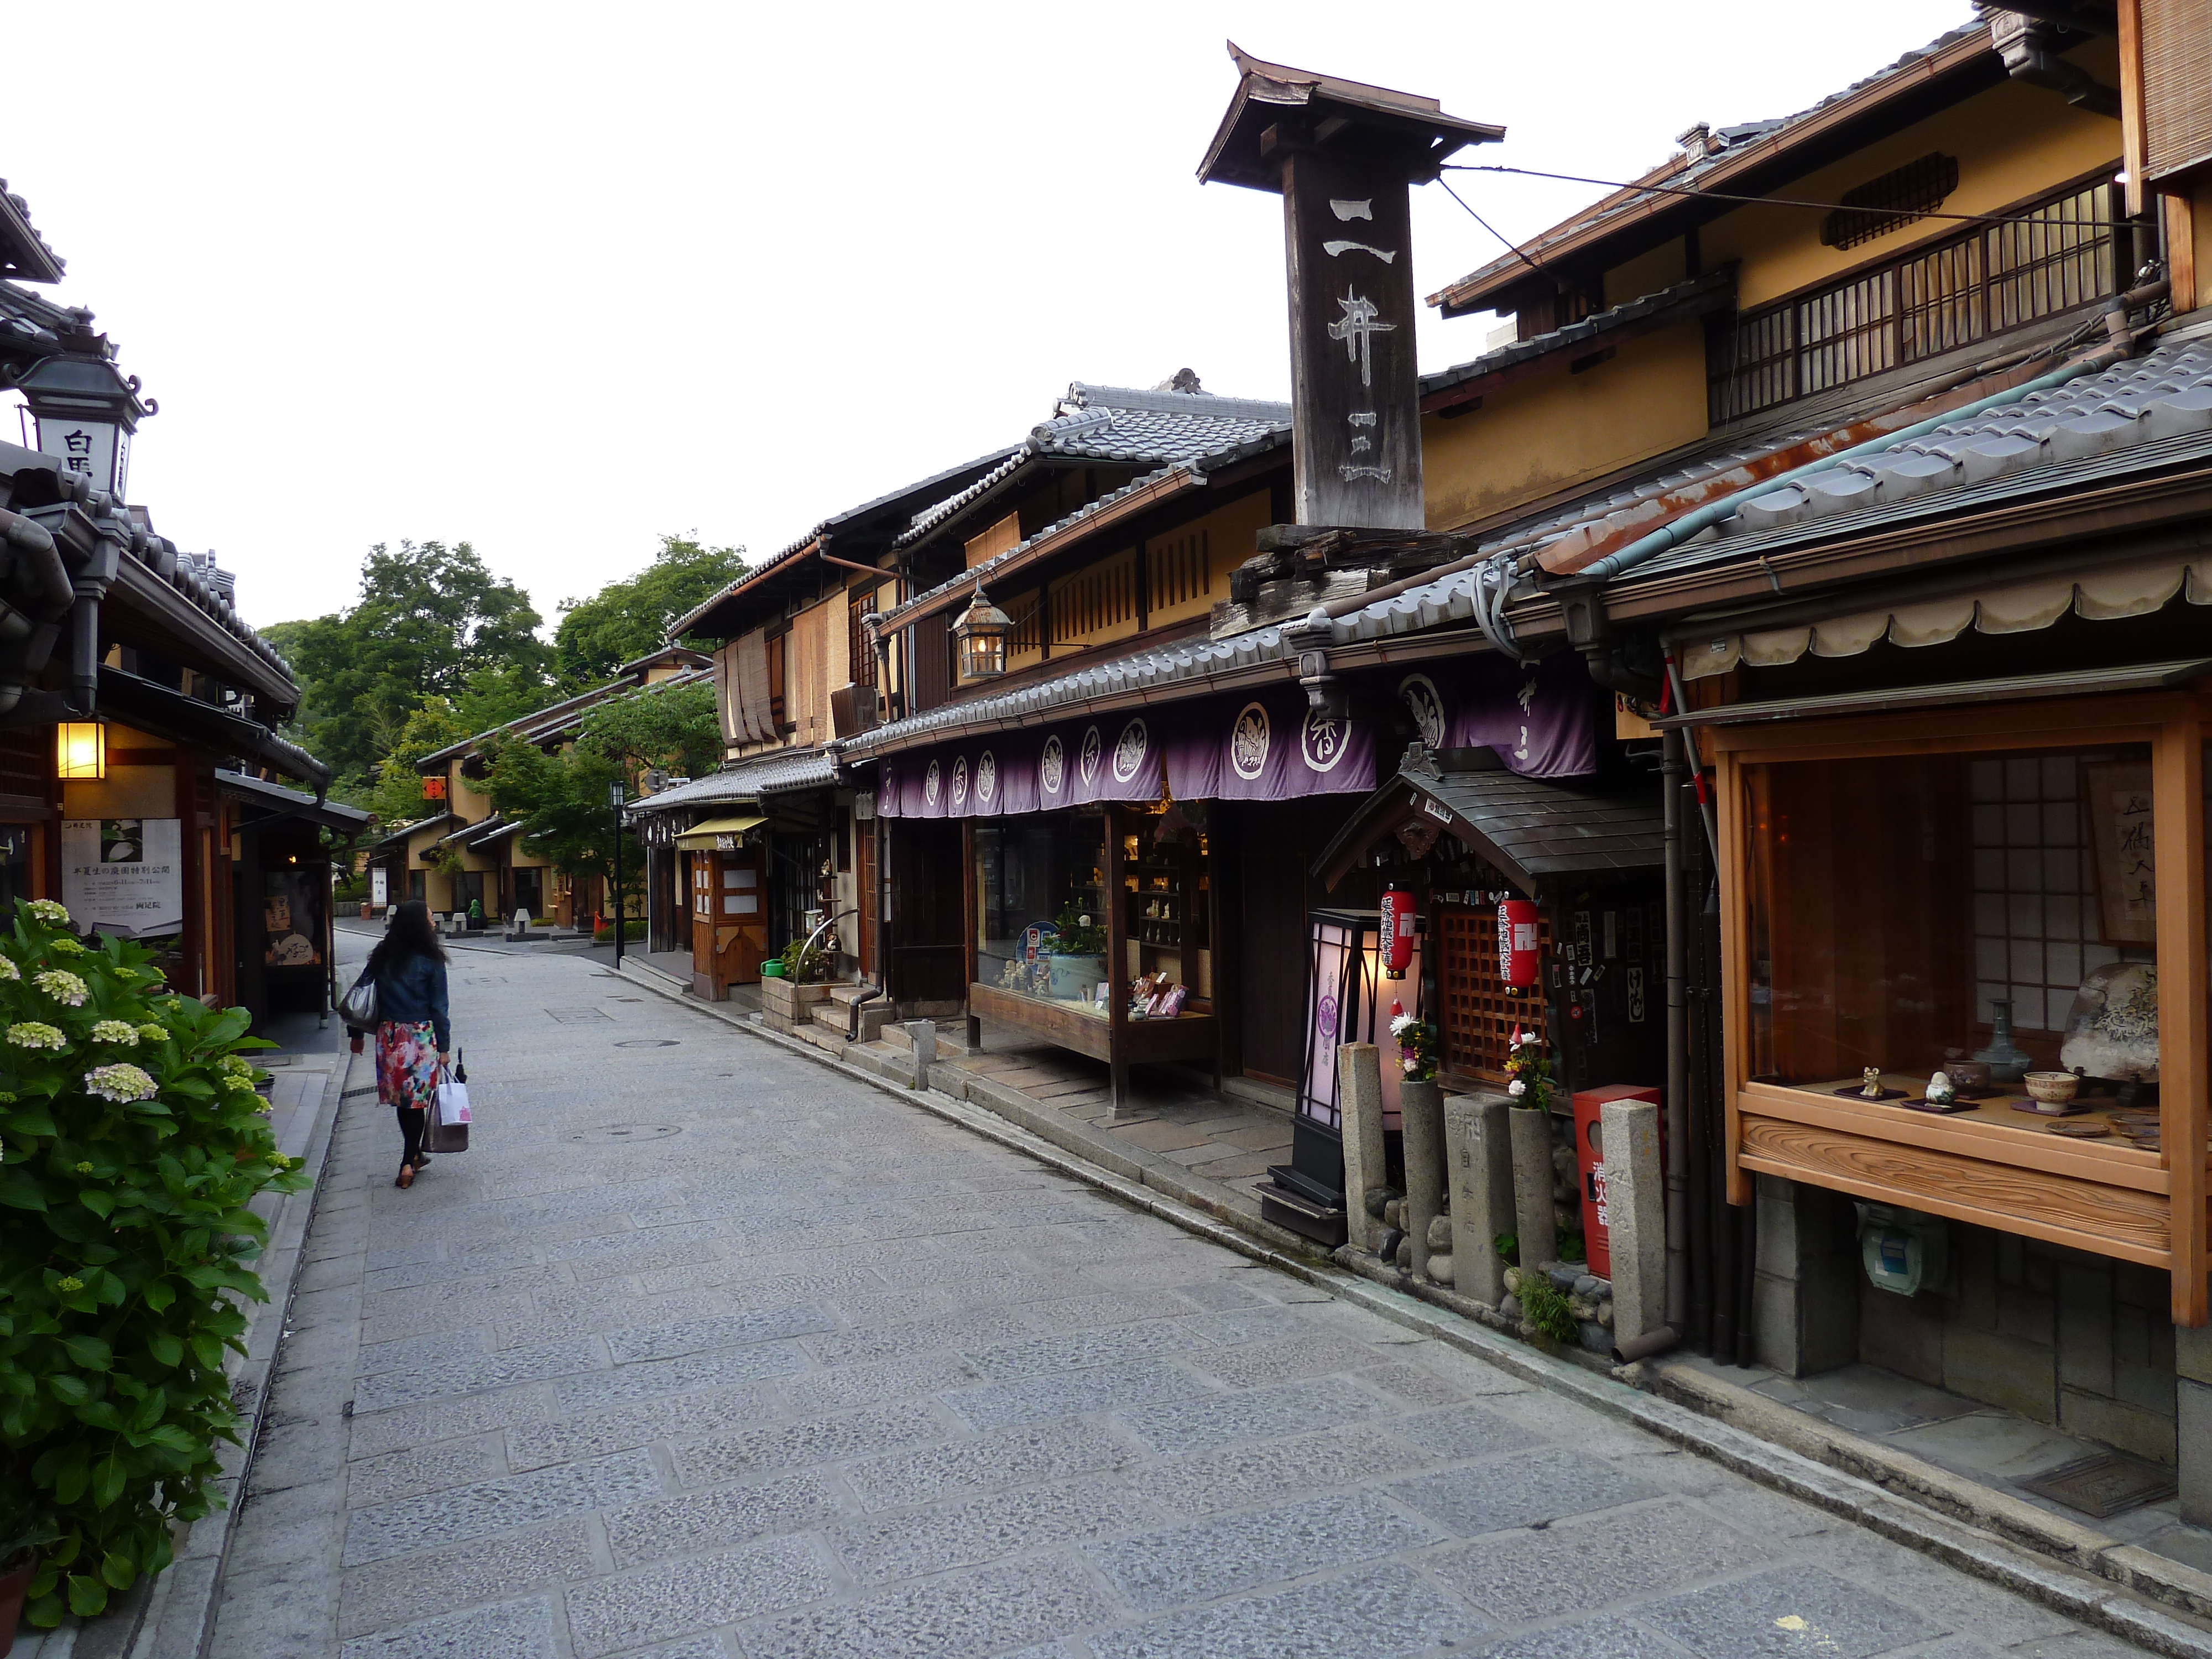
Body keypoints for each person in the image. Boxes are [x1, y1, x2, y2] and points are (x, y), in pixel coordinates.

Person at [363, 899, 451, 1188]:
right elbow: (439, 1008)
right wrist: (445, 1047)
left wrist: (355, 1036)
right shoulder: (431, 960)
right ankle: (406, 1161)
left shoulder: (382, 955)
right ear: (420, 924)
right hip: (420, 1036)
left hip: (389, 1037)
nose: (434, 922)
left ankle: (414, 1154)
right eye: (430, 917)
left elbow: (361, 993)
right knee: (417, 1102)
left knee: (405, 1101)